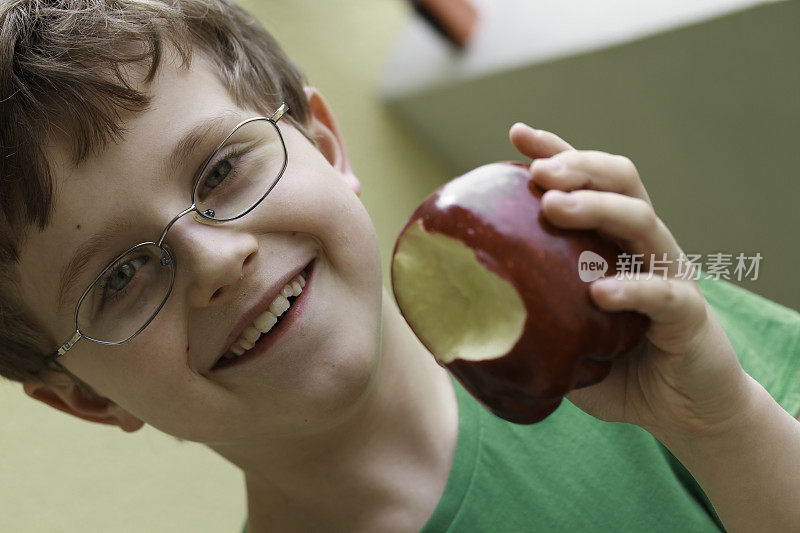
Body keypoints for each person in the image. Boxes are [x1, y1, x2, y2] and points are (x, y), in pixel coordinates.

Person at [1, 1, 798, 531]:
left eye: (220, 172)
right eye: (118, 278)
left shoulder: (644, 341)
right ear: (87, 402)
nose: (217, 259)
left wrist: (722, 427)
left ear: (325, 145)